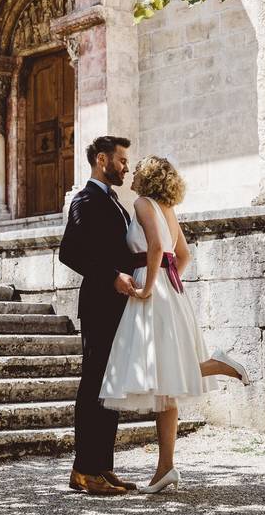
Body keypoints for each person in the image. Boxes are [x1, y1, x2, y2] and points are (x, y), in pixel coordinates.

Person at [99, 155, 250, 494]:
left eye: (138, 168)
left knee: (158, 373)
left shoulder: (141, 203)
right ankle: (166, 467)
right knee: (165, 381)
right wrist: (168, 283)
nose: (133, 172)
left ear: (148, 176)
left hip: (152, 288)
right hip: (171, 290)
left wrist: (150, 286)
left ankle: (217, 364)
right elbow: (183, 256)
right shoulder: (167, 208)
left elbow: (154, 247)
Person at [59, 135, 139, 496]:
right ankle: (83, 469)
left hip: (121, 304)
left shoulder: (117, 204)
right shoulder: (85, 199)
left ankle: (103, 468)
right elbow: (69, 252)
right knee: (94, 384)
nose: (126, 167)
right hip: (98, 304)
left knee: (112, 385)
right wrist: (110, 276)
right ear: (101, 159)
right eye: (121, 160)